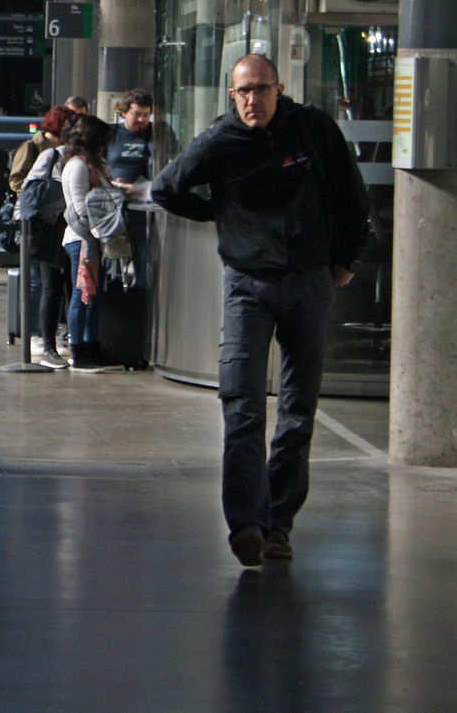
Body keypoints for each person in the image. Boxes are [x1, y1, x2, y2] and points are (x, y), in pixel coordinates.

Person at [152, 54, 368, 567]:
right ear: (232, 96)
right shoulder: (219, 141)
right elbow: (166, 187)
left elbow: (349, 192)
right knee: (243, 405)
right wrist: (219, 213)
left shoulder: (311, 128)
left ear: (279, 89)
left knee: (297, 411)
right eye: (242, 92)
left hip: (310, 282)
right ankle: (247, 523)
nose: (252, 100)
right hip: (247, 285)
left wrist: (345, 258)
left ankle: (278, 525)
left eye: (261, 90)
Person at [16, 105, 78, 366]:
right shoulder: (51, 155)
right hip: (50, 228)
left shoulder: (80, 156)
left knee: (69, 288)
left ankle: (67, 341)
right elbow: (28, 188)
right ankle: (49, 345)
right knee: (51, 287)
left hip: (70, 227)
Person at [59, 113, 117, 372]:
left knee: (92, 295)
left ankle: (90, 347)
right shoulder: (78, 166)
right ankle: (79, 352)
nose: (105, 145)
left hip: (93, 237)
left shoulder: (93, 164)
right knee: (80, 294)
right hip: (82, 238)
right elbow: (80, 206)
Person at [107, 89, 154, 288]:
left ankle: (139, 295)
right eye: (137, 114)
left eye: (146, 115)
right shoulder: (112, 134)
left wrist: (134, 188)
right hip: (113, 206)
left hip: (143, 208)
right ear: (124, 112)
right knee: (109, 256)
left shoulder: (155, 135)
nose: (141, 120)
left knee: (141, 255)